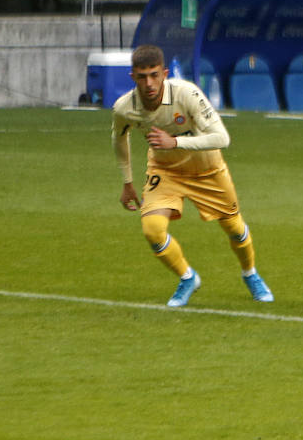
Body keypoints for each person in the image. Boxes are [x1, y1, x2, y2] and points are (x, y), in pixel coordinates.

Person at [112, 44, 274, 308]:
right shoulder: (124, 108)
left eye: (154, 75)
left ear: (164, 73)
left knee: (234, 228)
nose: (149, 83)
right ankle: (187, 278)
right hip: (165, 171)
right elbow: (118, 138)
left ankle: (250, 273)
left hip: (207, 170)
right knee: (152, 230)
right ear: (132, 77)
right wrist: (127, 182)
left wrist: (175, 143)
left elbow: (222, 138)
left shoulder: (186, 94)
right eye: (142, 77)